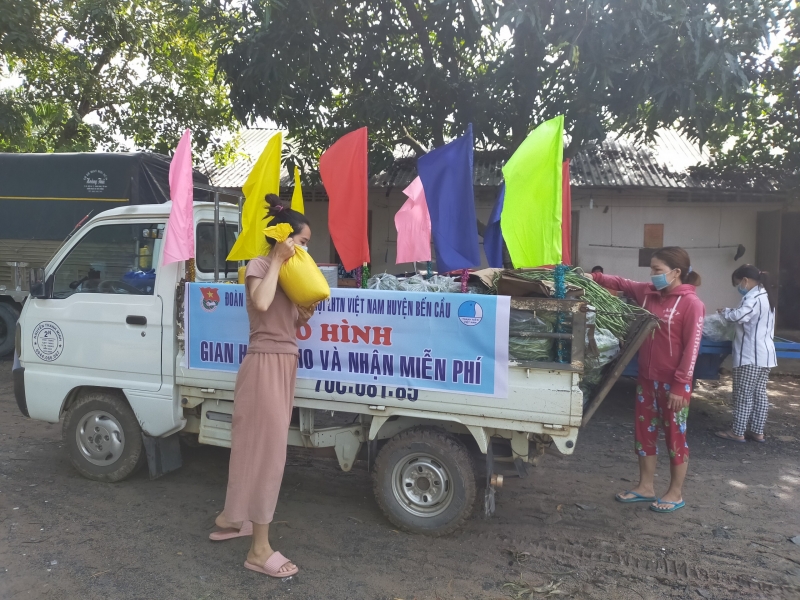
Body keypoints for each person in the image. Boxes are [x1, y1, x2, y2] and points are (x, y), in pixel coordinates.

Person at [209, 194, 315, 578]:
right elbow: (262, 302)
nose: (304, 249)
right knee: (265, 453)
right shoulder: (259, 266)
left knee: (260, 448)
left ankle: (234, 518)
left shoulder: (290, 275)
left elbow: (287, 321)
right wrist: (277, 261)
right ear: (285, 238)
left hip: (285, 362)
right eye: (301, 241)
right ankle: (258, 549)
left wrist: (302, 313)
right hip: (263, 364)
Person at [592, 247, 705, 513]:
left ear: (676, 272)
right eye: (651, 269)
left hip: (675, 385)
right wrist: (592, 277)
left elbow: (692, 349)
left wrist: (680, 385)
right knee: (645, 434)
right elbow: (620, 283)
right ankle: (645, 487)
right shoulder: (647, 294)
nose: (652, 275)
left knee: (675, 436)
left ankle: (675, 492)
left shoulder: (692, 304)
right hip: (646, 380)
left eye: (658, 270)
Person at [714, 265, 777, 443]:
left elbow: (740, 316)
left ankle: (738, 431)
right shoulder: (766, 296)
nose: (739, 288)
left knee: (743, 395)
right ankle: (757, 432)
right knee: (759, 394)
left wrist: (725, 312)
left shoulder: (754, 297)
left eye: (738, 284)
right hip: (764, 356)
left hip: (750, 356)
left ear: (745, 281)